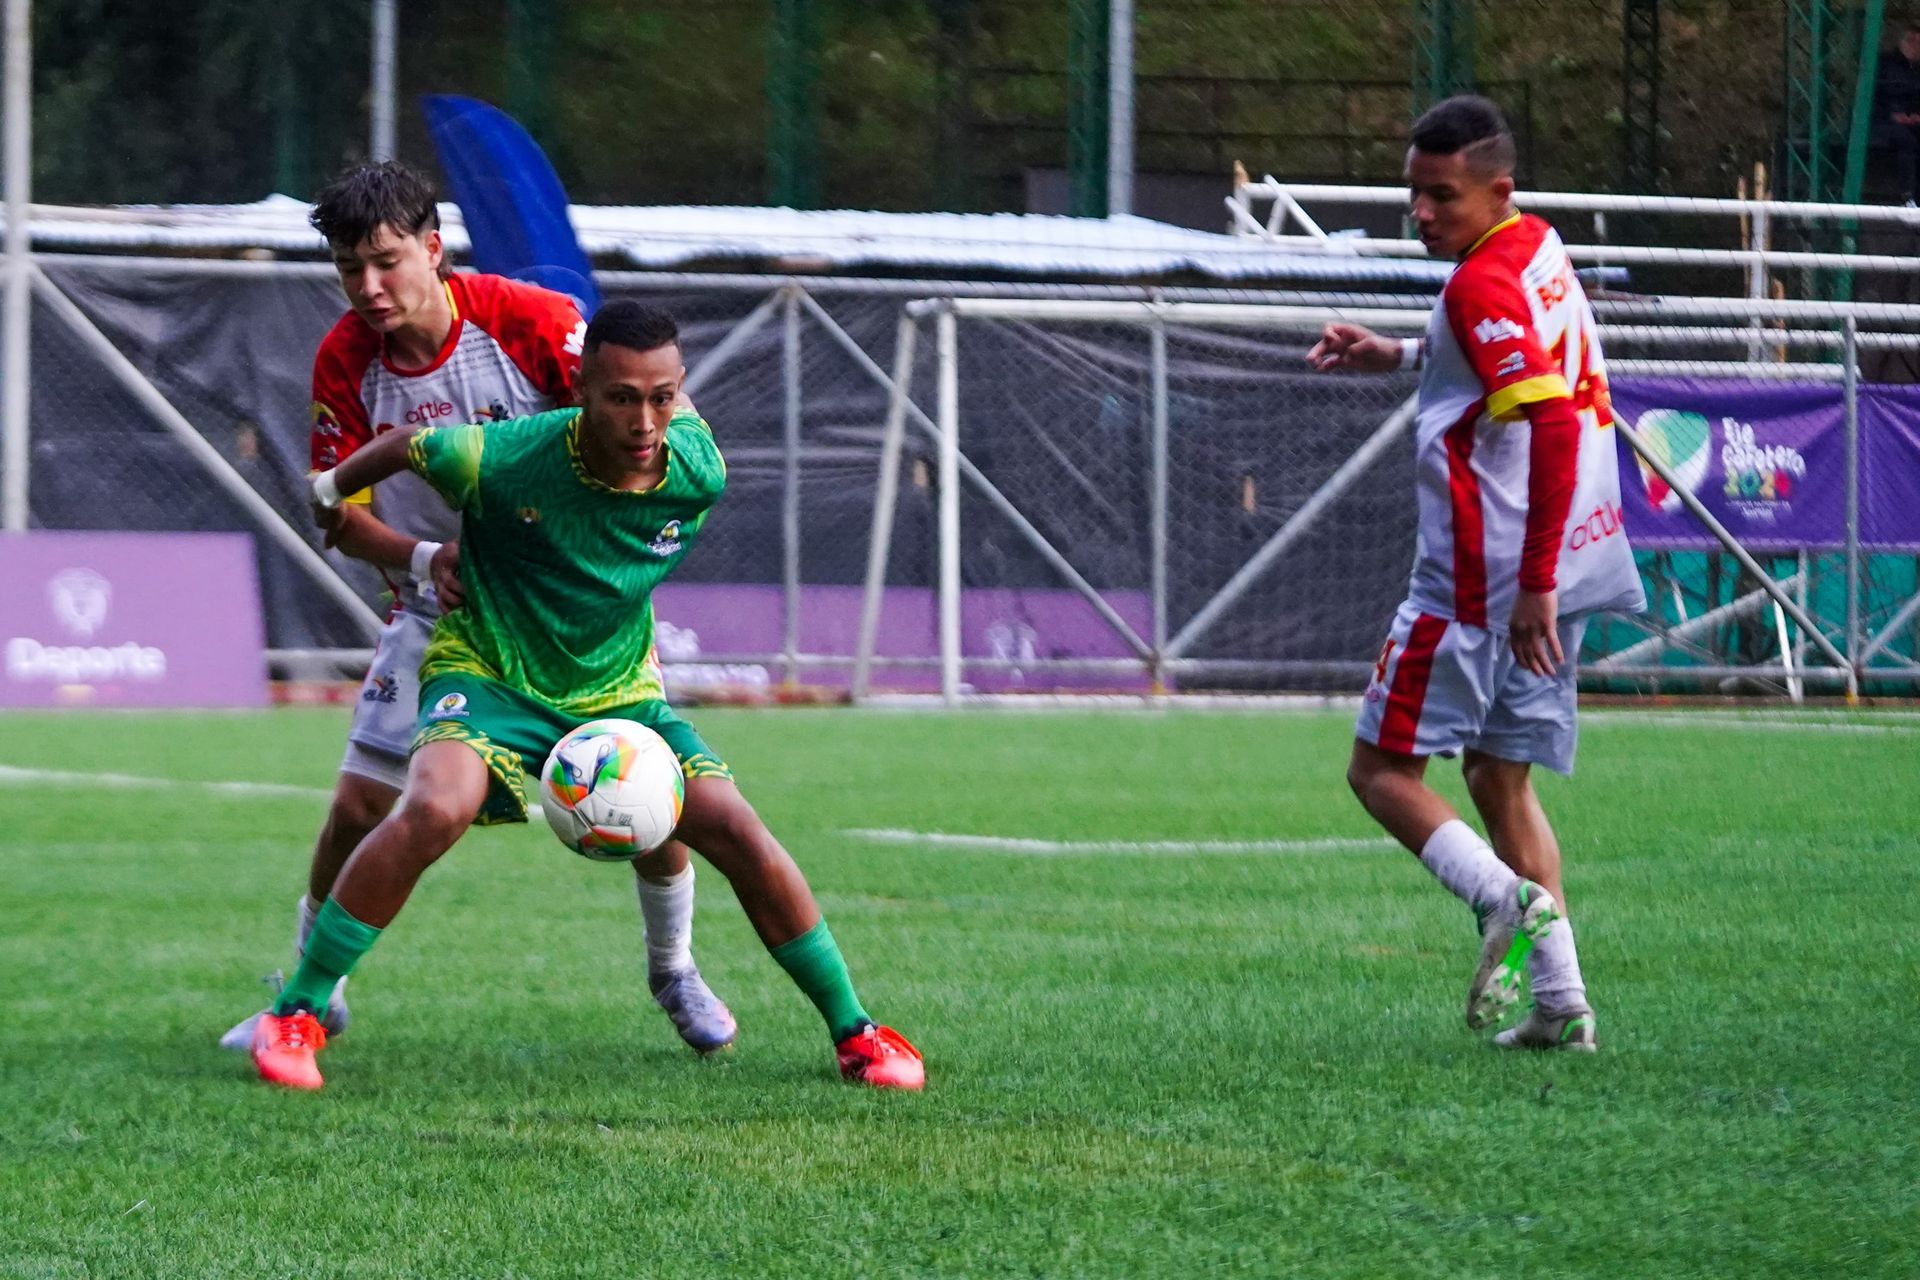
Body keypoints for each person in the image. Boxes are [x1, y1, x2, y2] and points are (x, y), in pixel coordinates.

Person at [247, 299, 925, 1092]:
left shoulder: (698, 469)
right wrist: (328, 489)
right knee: (433, 808)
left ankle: (856, 1032)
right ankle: (296, 1012)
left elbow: (670, 423)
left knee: (734, 826)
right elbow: (401, 444)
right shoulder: (502, 454)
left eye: (662, 396)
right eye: (620, 397)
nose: (644, 419)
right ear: (580, 388)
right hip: (490, 670)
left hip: (617, 694)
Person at [221, 162, 736, 1060]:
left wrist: (603, 543)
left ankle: (675, 968)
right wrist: (423, 557)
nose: (370, 288)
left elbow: (643, 414)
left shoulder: (529, 321)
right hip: (440, 611)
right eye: (349, 269)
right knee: (357, 808)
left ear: (432, 248)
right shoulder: (345, 358)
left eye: (386, 261)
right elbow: (336, 516)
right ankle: (313, 993)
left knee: (653, 798)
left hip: (567, 611)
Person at [1305, 96, 1645, 1052]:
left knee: (1379, 771)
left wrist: (1528, 580)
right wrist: (1402, 354)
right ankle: (1562, 1005)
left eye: (1441, 196)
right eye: (1413, 193)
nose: (1421, 212)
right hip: (1569, 555)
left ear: (1497, 188)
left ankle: (1502, 901)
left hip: (1482, 573)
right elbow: (1510, 368)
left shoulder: (1476, 287)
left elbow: (1542, 417)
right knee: (1500, 775)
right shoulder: (1534, 246)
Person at [1872, 25, 1920, 206]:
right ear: (1907, 42)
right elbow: (1875, 95)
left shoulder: (1917, 69)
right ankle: (1907, 196)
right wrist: (1893, 115)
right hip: (1883, 121)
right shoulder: (1884, 63)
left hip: (1911, 119)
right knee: (1906, 140)